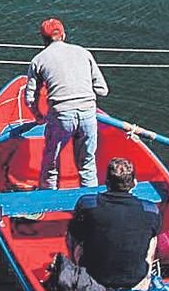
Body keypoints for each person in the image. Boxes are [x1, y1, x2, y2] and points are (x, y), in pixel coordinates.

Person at [27, 17, 108, 190]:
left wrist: (38, 117)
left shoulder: (38, 60)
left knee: (51, 162)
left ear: (43, 39)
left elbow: (30, 98)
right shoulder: (84, 53)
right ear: (64, 35)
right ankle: (91, 204)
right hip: (88, 114)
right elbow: (102, 90)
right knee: (87, 164)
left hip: (61, 116)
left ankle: (48, 198)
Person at [65, 157, 161, 291]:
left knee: (72, 231)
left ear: (107, 182)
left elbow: (75, 234)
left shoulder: (87, 204)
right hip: (135, 278)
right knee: (153, 237)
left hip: (94, 275)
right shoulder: (151, 210)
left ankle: (77, 271)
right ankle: (145, 278)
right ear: (134, 183)